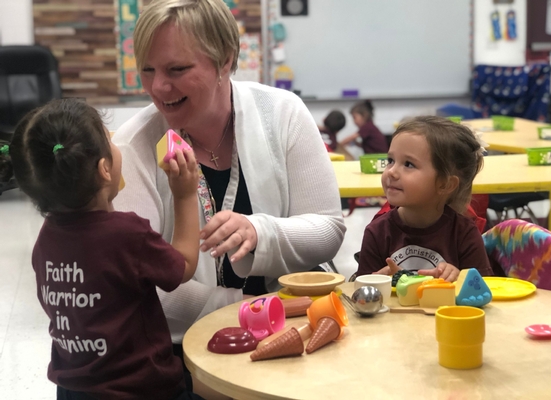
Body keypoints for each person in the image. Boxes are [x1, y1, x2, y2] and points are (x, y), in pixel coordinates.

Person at [112, 0, 345, 353]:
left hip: (288, 332)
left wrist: (260, 230)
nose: (158, 87)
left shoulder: (282, 113)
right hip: (181, 349)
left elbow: (328, 228)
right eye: (147, 70)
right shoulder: (132, 145)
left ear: (226, 60)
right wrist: (243, 306)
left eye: (176, 69)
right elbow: (137, 279)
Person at [2, 99, 202, 399]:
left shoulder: (46, 238)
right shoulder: (127, 235)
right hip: (140, 389)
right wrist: (185, 195)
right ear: (105, 169)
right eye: (111, 140)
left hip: (72, 390)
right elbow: (184, 266)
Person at [355, 116, 493, 281]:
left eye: (408, 164)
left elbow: (482, 294)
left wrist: (459, 279)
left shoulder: (464, 234)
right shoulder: (377, 232)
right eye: (390, 160)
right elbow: (362, 297)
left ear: (445, 184)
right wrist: (379, 282)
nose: (391, 171)